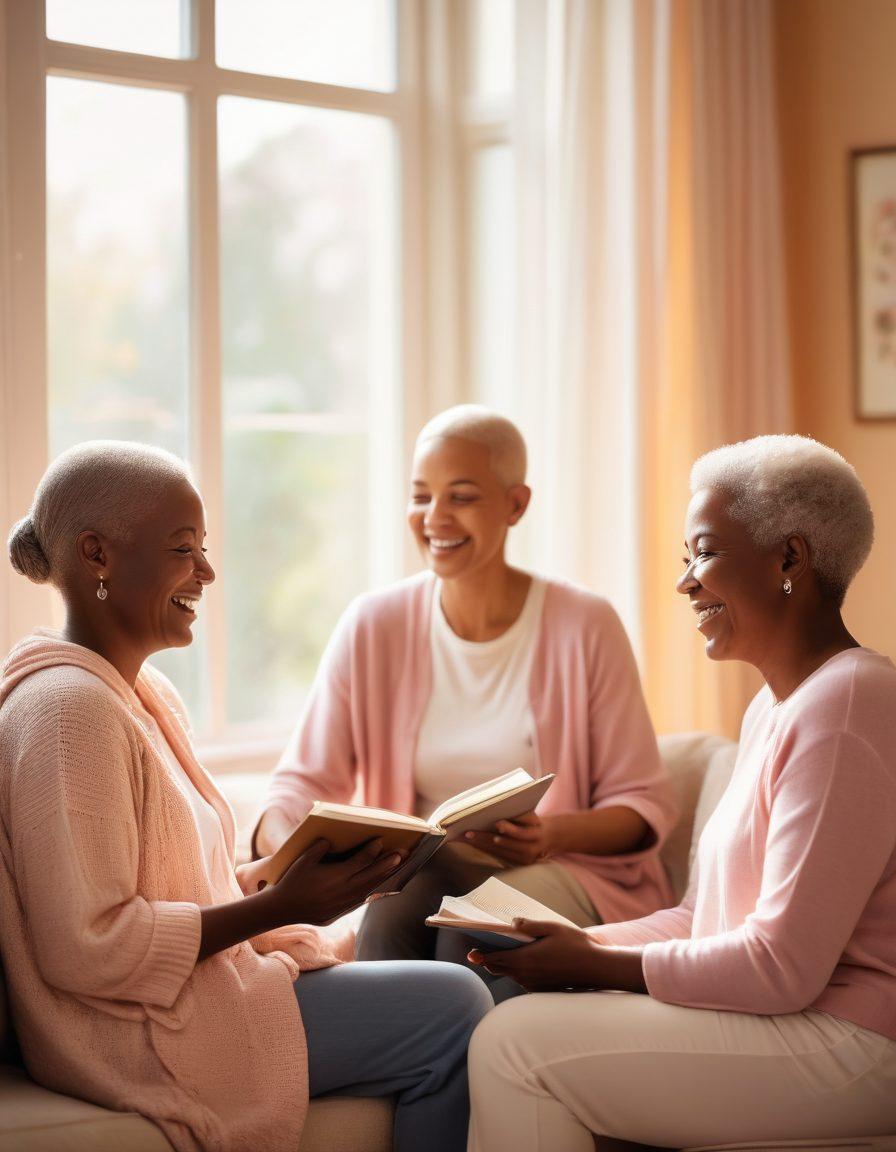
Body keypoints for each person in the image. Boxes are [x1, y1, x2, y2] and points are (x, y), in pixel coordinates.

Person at [0, 441, 492, 1152]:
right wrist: (281, 907)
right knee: (454, 1005)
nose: (206, 570)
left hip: (182, 996)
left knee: (406, 962)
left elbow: (162, 882)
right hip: (137, 1030)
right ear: (96, 554)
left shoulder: (139, 695)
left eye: (203, 547)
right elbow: (88, 949)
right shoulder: (68, 712)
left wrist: (270, 882)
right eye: (182, 549)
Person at [464, 434, 896, 1151]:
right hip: (801, 1021)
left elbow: (781, 968)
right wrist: (571, 943)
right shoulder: (776, 708)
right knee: (521, 1017)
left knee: (514, 1044)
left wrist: (596, 963)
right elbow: (705, 919)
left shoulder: (850, 705)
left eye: (704, 552)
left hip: (856, 1042)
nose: (685, 582)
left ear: (789, 558)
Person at [249, 406, 677, 985]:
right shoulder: (374, 624)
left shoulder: (586, 624)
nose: (435, 517)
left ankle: (462, 1069)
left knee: (468, 925)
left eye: (463, 496)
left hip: (566, 870)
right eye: (421, 496)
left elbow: (641, 805)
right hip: (423, 874)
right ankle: (397, 1066)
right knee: (398, 904)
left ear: (516, 504)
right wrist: (282, 861)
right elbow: (301, 782)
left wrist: (550, 836)